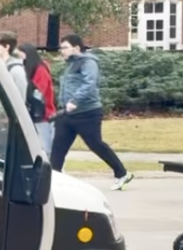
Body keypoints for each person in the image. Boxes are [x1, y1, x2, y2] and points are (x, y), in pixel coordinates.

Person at [50, 34, 134, 190]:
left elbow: (90, 83)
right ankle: (54, 179)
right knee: (58, 146)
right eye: (61, 48)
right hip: (68, 114)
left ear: (76, 48)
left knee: (95, 144)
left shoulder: (88, 62)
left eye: (65, 47)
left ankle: (122, 173)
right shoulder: (71, 64)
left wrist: (74, 101)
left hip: (87, 113)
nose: (62, 51)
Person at [0, 31, 28, 159]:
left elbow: (20, 99)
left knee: (3, 156)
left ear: (6, 47)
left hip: (6, 123)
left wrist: (8, 118)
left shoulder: (16, 70)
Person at [19, 42, 56, 152]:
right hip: (34, 113)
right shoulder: (27, 69)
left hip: (43, 114)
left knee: (45, 147)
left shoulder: (40, 70)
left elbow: (40, 92)